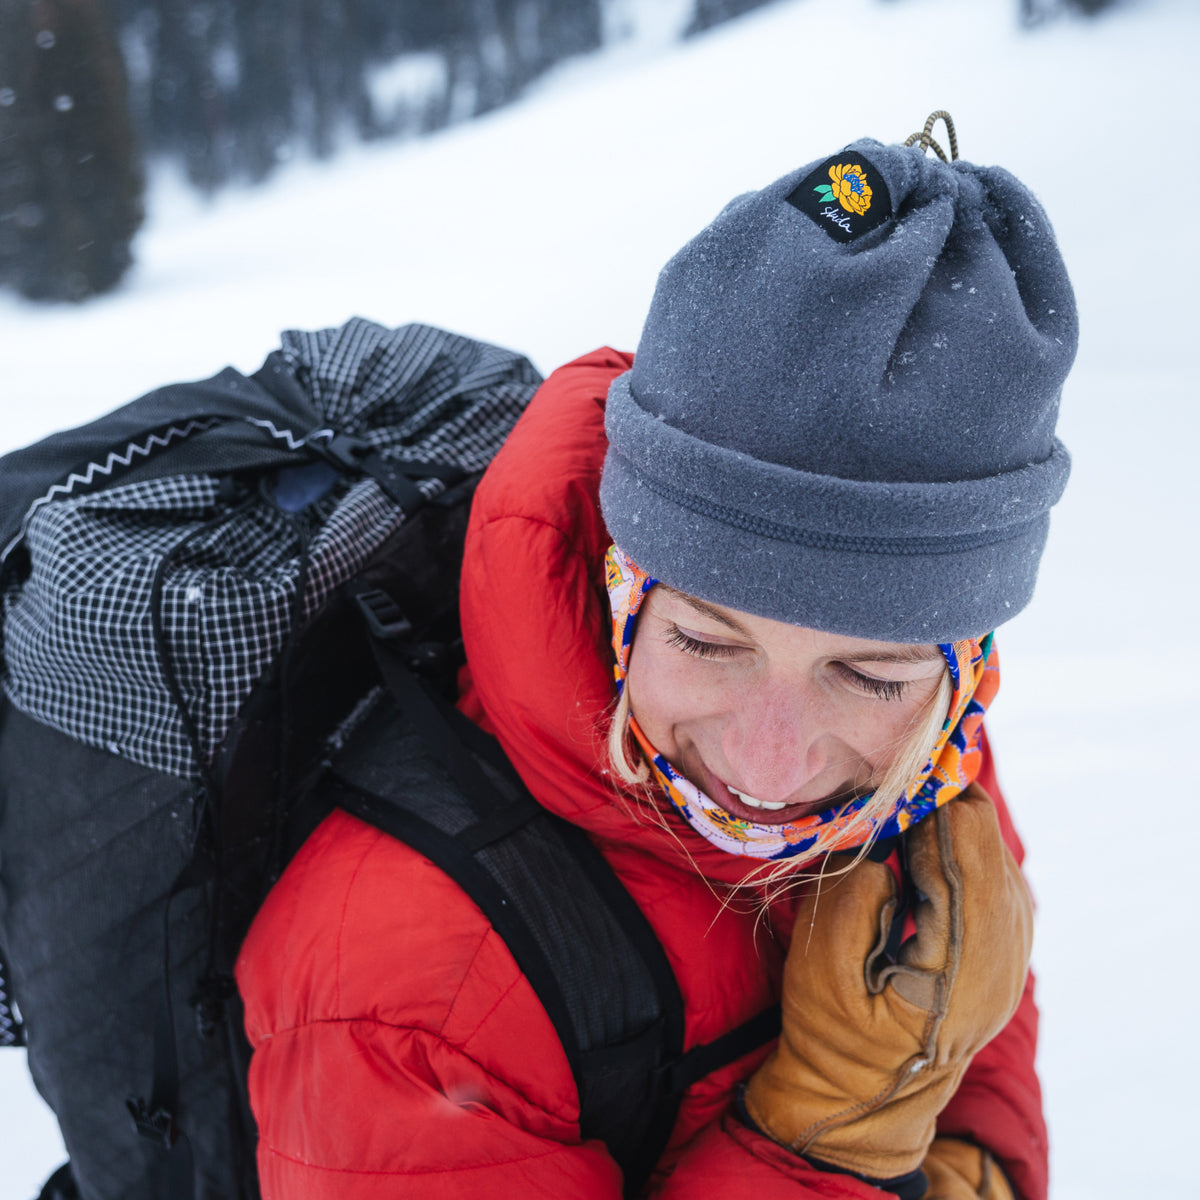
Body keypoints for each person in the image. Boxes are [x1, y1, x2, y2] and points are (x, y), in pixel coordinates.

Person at [235, 124, 1076, 1200]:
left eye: (867, 674)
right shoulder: (410, 991)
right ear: (621, 594)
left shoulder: (921, 756)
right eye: (704, 641)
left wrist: (973, 1173)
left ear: (963, 672)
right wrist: (825, 1146)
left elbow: (974, 1041)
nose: (769, 770)